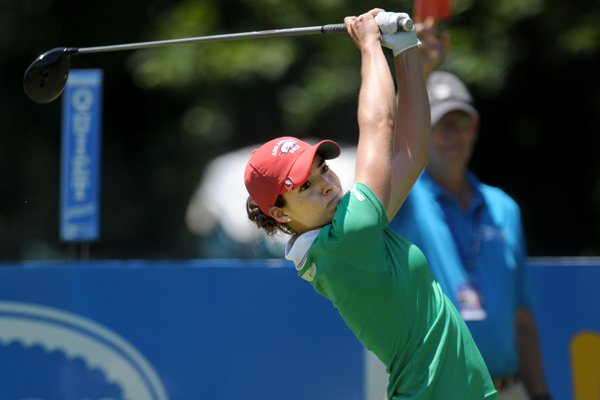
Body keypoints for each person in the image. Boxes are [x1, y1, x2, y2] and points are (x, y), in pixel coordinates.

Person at [244, 8, 497, 399]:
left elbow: (411, 154)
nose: (326, 184)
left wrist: (406, 50)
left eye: (323, 169)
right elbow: (379, 125)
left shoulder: (344, 231)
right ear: (280, 213)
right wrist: (369, 47)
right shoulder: (349, 236)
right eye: (306, 186)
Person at [389, 21, 552, 400]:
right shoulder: (407, 198)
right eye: (439, 125)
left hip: (510, 388)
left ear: (474, 127)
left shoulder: (503, 207)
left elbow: (521, 315)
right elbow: (392, 143)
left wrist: (540, 393)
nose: (452, 136)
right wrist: (419, 66)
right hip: (442, 391)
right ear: (422, 131)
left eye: (460, 123)